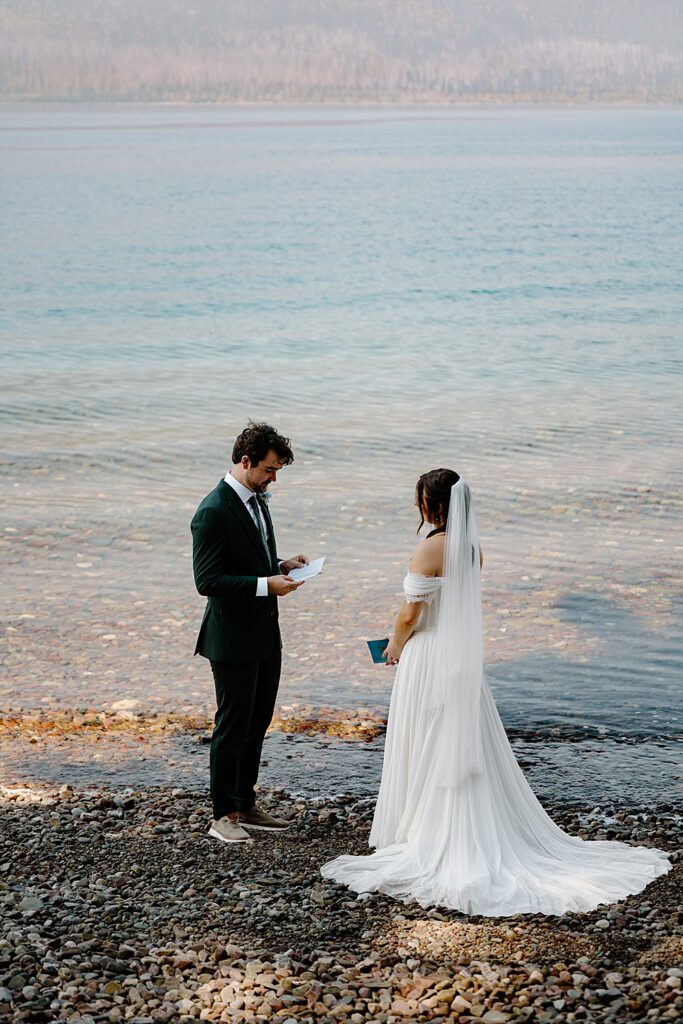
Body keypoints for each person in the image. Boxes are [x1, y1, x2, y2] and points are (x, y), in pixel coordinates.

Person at [322, 469, 671, 915]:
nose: (418, 509)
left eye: (421, 502)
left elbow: (411, 616)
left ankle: (430, 834)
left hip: (428, 655)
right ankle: (460, 825)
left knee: (427, 738)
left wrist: (392, 646)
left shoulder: (431, 546)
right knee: (458, 741)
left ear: (434, 505)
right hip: (459, 660)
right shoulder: (471, 548)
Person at [191, 422, 308, 844]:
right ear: (245, 462)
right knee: (232, 725)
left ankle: (246, 802)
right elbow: (208, 581)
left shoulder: (256, 500)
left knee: (258, 721)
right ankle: (223, 815)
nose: (274, 478)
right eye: (270, 469)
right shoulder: (212, 511)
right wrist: (265, 586)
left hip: (264, 632)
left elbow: (247, 557)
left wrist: (279, 566)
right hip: (232, 638)